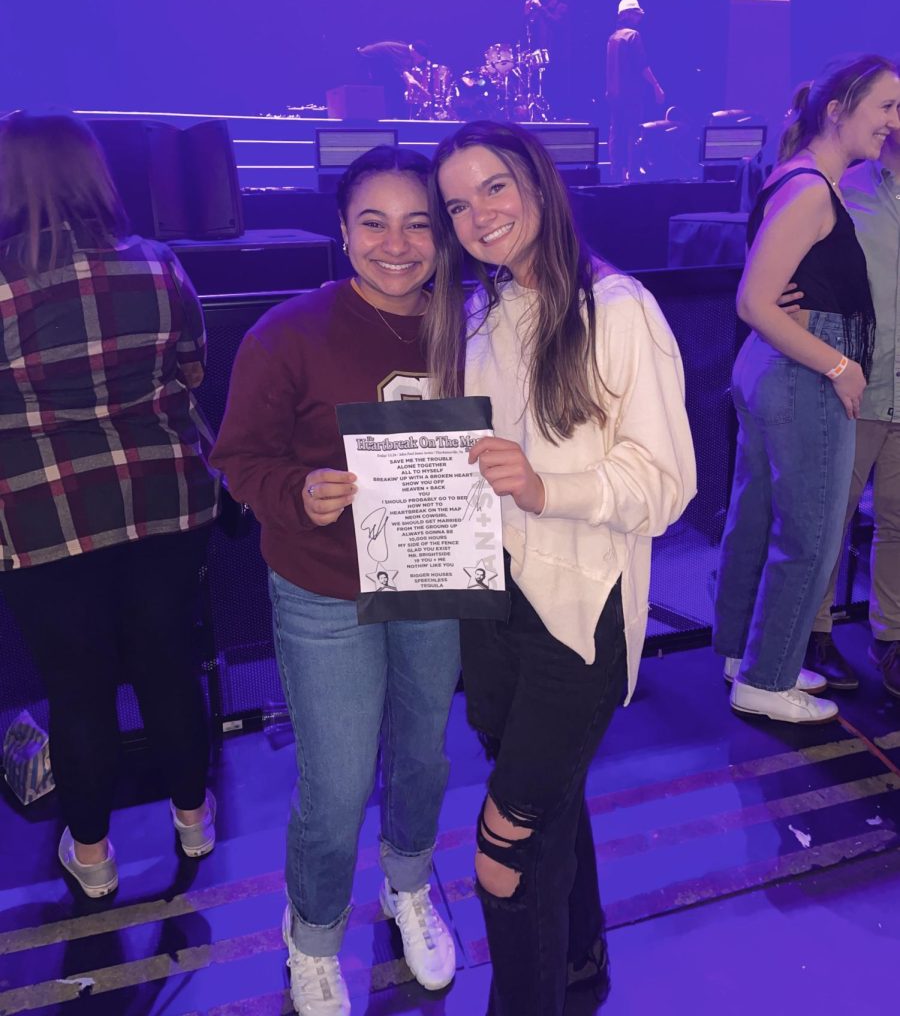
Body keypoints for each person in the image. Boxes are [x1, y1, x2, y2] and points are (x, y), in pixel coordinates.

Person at [424, 120, 696, 1016]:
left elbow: (665, 483)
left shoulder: (616, 309)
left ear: (539, 186)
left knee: (506, 845)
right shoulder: (482, 311)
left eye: (494, 188)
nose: (478, 215)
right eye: (458, 203)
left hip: (580, 610)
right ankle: (579, 962)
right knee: (547, 802)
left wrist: (548, 487)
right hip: (493, 600)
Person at [211, 146, 458, 1016]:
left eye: (419, 222)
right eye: (374, 222)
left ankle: (411, 885)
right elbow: (238, 459)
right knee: (340, 781)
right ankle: (312, 936)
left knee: (425, 755)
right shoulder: (288, 333)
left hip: (435, 577)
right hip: (324, 586)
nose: (398, 244)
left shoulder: (472, 324)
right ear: (343, 232)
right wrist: (295, 492)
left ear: (443, 232)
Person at [0, 114, 219, 899]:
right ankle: (194, 819)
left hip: (42, 519)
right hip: (165, 501)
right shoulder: (160, 266)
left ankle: (92, 859)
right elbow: (193, 370)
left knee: (77, 687)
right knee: (168, 663)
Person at [713, 55, 900, 723]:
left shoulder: (802, 180)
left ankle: (744, 657)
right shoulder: (813, 189)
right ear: (839, 109)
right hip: (803, 376)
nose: (892, 122)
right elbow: (755, 301)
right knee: (812, 536)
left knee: (761, 520)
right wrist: (840, 365)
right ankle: (768, 677)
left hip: (782, 373)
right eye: (884, 107)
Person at [803, 116, 900, 694]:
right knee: (826, 521)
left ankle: (891, 638)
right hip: (852, 383)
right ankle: (812, 633)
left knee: (899, 519)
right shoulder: (846, 188)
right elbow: (786, 269)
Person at [605, 0, 665, 183]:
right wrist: (656, 86)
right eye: (636, 14)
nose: (639, 18)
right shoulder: (633, 36)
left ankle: (616, 173)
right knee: (633, 133)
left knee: (616, 133)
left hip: (614, 94)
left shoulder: (612, 38)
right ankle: (633, 174)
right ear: (629, 15)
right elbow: (642, 66)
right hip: (631, 95)